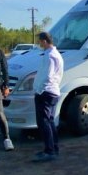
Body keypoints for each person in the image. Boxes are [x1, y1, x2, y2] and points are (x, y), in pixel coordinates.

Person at [32, 31, 63, 162]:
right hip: (51, 91)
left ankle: (49, 151)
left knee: (44, 122)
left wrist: (38, 89)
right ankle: (53, 148)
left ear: (44, 41)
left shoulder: (50, 56)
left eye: (40, 41)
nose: (39, 44)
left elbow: (47, 76)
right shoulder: (53, 54)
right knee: (49, 121)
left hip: (46, 92)